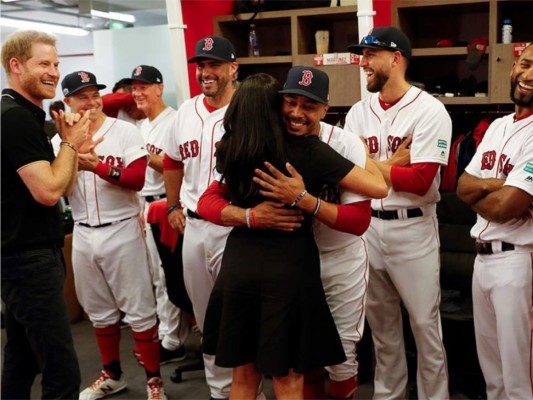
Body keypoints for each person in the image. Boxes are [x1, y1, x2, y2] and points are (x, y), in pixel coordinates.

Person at [197, 66, 409, 399]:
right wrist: (254, 215)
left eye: (308, 105)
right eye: (290, 103)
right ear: (276, 106)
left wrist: (302, 199)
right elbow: (380, 187)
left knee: (248, 371)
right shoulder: (301, 149)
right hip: (291, 266)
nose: (296, 113)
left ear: (326, 109)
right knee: (291, 371)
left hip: (265, 262)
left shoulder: (234, 146)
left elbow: (358, 221)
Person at [344, 26, 451, 399]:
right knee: (382, 328)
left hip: (413, 230)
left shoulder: (431, 111)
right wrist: (389, 163)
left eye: (370, 55)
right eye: (362, 55)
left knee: (424, 326)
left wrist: (370, 162)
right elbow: (350, 176)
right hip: (368, 228)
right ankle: (389, 395)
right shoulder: (358, 112)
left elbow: (420, 180)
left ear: (395, 58)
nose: (363, 62)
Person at [60, 70, 167, 400]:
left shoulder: (123, 130)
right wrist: (70, 161)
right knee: (99, 311)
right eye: (82, 96)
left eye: (95, 94)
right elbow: (58, 189)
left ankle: (154, 381)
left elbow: (136, 178)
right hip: (82, 231)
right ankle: (112, 375)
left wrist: (97, 166)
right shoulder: (60, 140)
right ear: (68, 101)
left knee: (139, 309)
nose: (91, 102)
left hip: (122, 227)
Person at [1, 29, 89, 399]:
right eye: (44, 64)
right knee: (62, 372)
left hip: (33, 256)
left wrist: (73, 154)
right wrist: (70, 143)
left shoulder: (30, 116)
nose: (53, 71)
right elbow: (50, 191)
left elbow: (64, 185)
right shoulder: (14, 118)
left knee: (22, 361)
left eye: (56, 63)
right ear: (16, 66)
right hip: (27, 260)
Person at [162, 35, 239, 400]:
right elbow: (172, 160)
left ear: (232, 68)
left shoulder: (248, 110)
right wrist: (173, 205)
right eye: (201, 65)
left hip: (235, 228)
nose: (205, 72)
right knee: (206, 317)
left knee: (238, 315)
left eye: (213, 65)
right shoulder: (185, 112)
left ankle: (247, 390)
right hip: (194, 225)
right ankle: (220, 391)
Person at [456, 43, 533, 400]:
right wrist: (494, 184)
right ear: (514, 65)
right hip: (482, 261)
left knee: (520, 378)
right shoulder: (499, 125)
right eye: (527, 64)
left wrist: (484, 195)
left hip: (519, 260)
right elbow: (461, 187)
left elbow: (508, 206)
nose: (528, 75)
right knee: (494, 377)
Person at [126, 64, 190, 366]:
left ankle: (172, 340)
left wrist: (142, 157)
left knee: (168, 276)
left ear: (159, 88)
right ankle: (168, 333)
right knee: (155, 275)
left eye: (144, 87)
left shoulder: (174, 121)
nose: (138, 93)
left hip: (168, 205)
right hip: (145, 204)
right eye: (134, 88)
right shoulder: (141, 126)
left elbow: (175, 166)